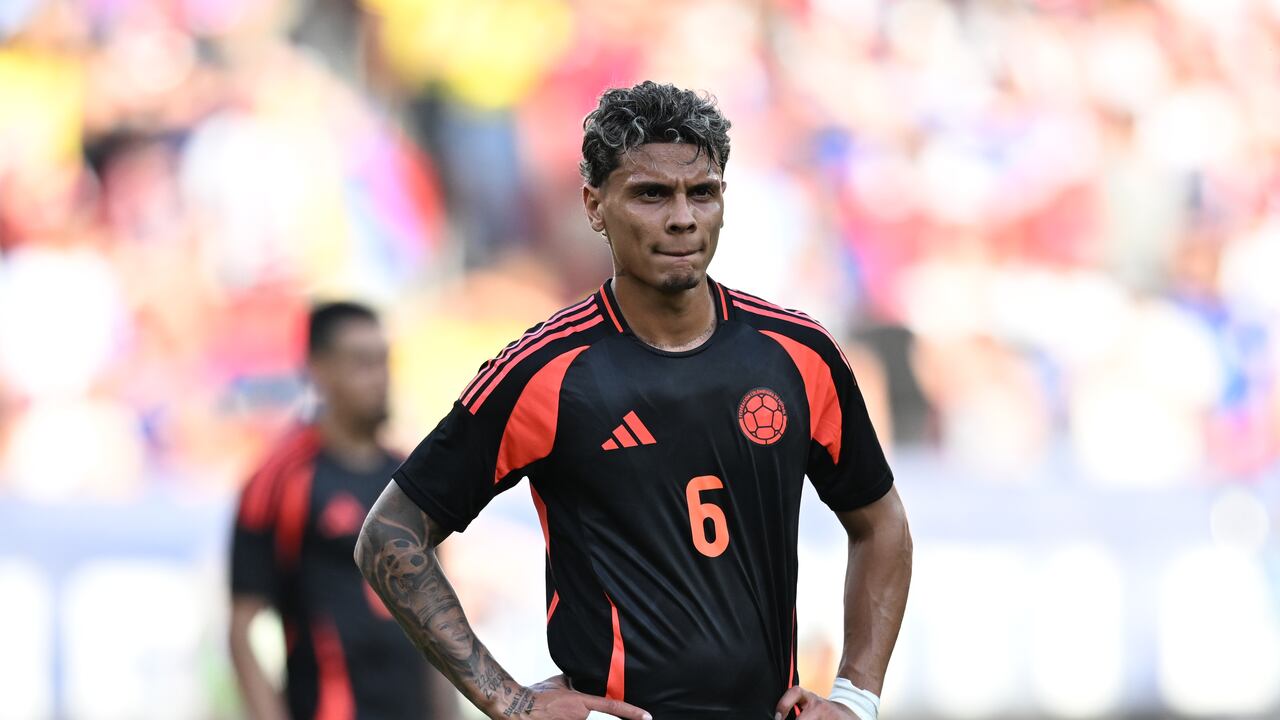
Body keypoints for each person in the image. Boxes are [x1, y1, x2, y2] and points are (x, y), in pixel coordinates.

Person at [355, 81, 913, 720]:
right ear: (594, 206)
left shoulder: (798, 354)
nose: (682, 217)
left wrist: (854, 697)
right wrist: (508, 701)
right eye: (651, 194)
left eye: (701, 193)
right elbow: (391, 534)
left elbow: (881, 521)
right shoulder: (545, 372)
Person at [230, 301, 457, 720]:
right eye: (361, 363)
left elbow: (437, 623)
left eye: (383, 362)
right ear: (320, 370)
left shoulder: (411, 479)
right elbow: (242, 630)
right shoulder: (278, 480)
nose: (380, 379)